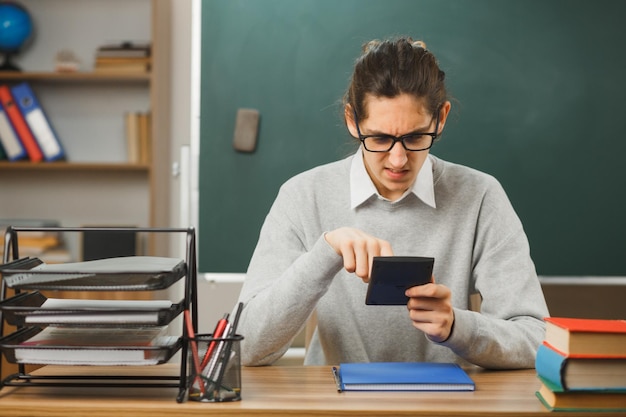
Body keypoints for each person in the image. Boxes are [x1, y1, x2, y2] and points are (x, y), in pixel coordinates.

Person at [236, 36, 549, 369]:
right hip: (335, 405)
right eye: (380, 138)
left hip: (449, 405)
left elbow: (535, 338)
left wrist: (458, 326)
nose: (398, 159)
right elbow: (245, 346)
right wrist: (324, 253)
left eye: (415, 137)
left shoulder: (481, 196)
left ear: (440, 118)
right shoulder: (302, 195)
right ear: (352, 121)